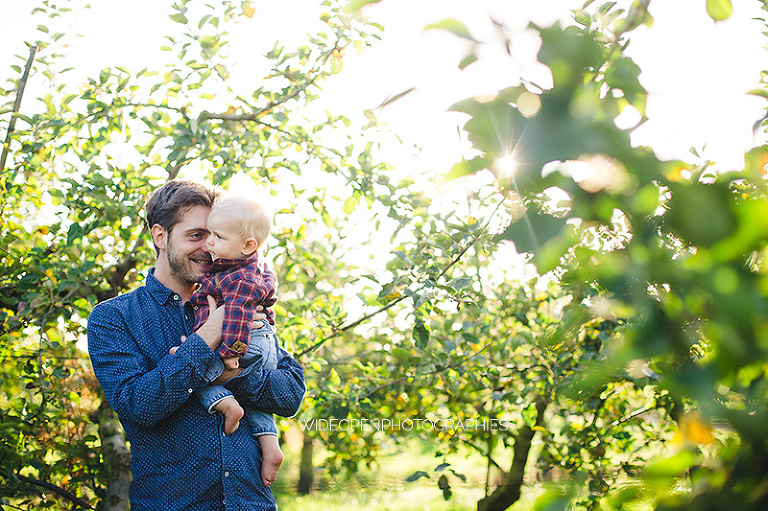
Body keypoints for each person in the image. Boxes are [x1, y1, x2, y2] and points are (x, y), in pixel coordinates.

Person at [87, 179, 305, 511]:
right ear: (160, 236)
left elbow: (290, 393)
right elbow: (139, 405)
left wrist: (229, 377)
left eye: (217, 234)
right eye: (196, 235)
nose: (209, 246)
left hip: (251, 503)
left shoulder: (241, 297)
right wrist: (209, 336)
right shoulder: (114, 317)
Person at [189, 194, 285, 487]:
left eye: (217, 236)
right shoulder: (250, 266)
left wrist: (231, 352)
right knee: (258, 405)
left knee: (190, 371)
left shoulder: (240, 277)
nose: (209, 244)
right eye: (203, 235)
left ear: (247, 245)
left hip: (246, 343)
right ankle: (270, 444)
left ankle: (225, 403)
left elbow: (238, 314)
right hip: (261, 343)